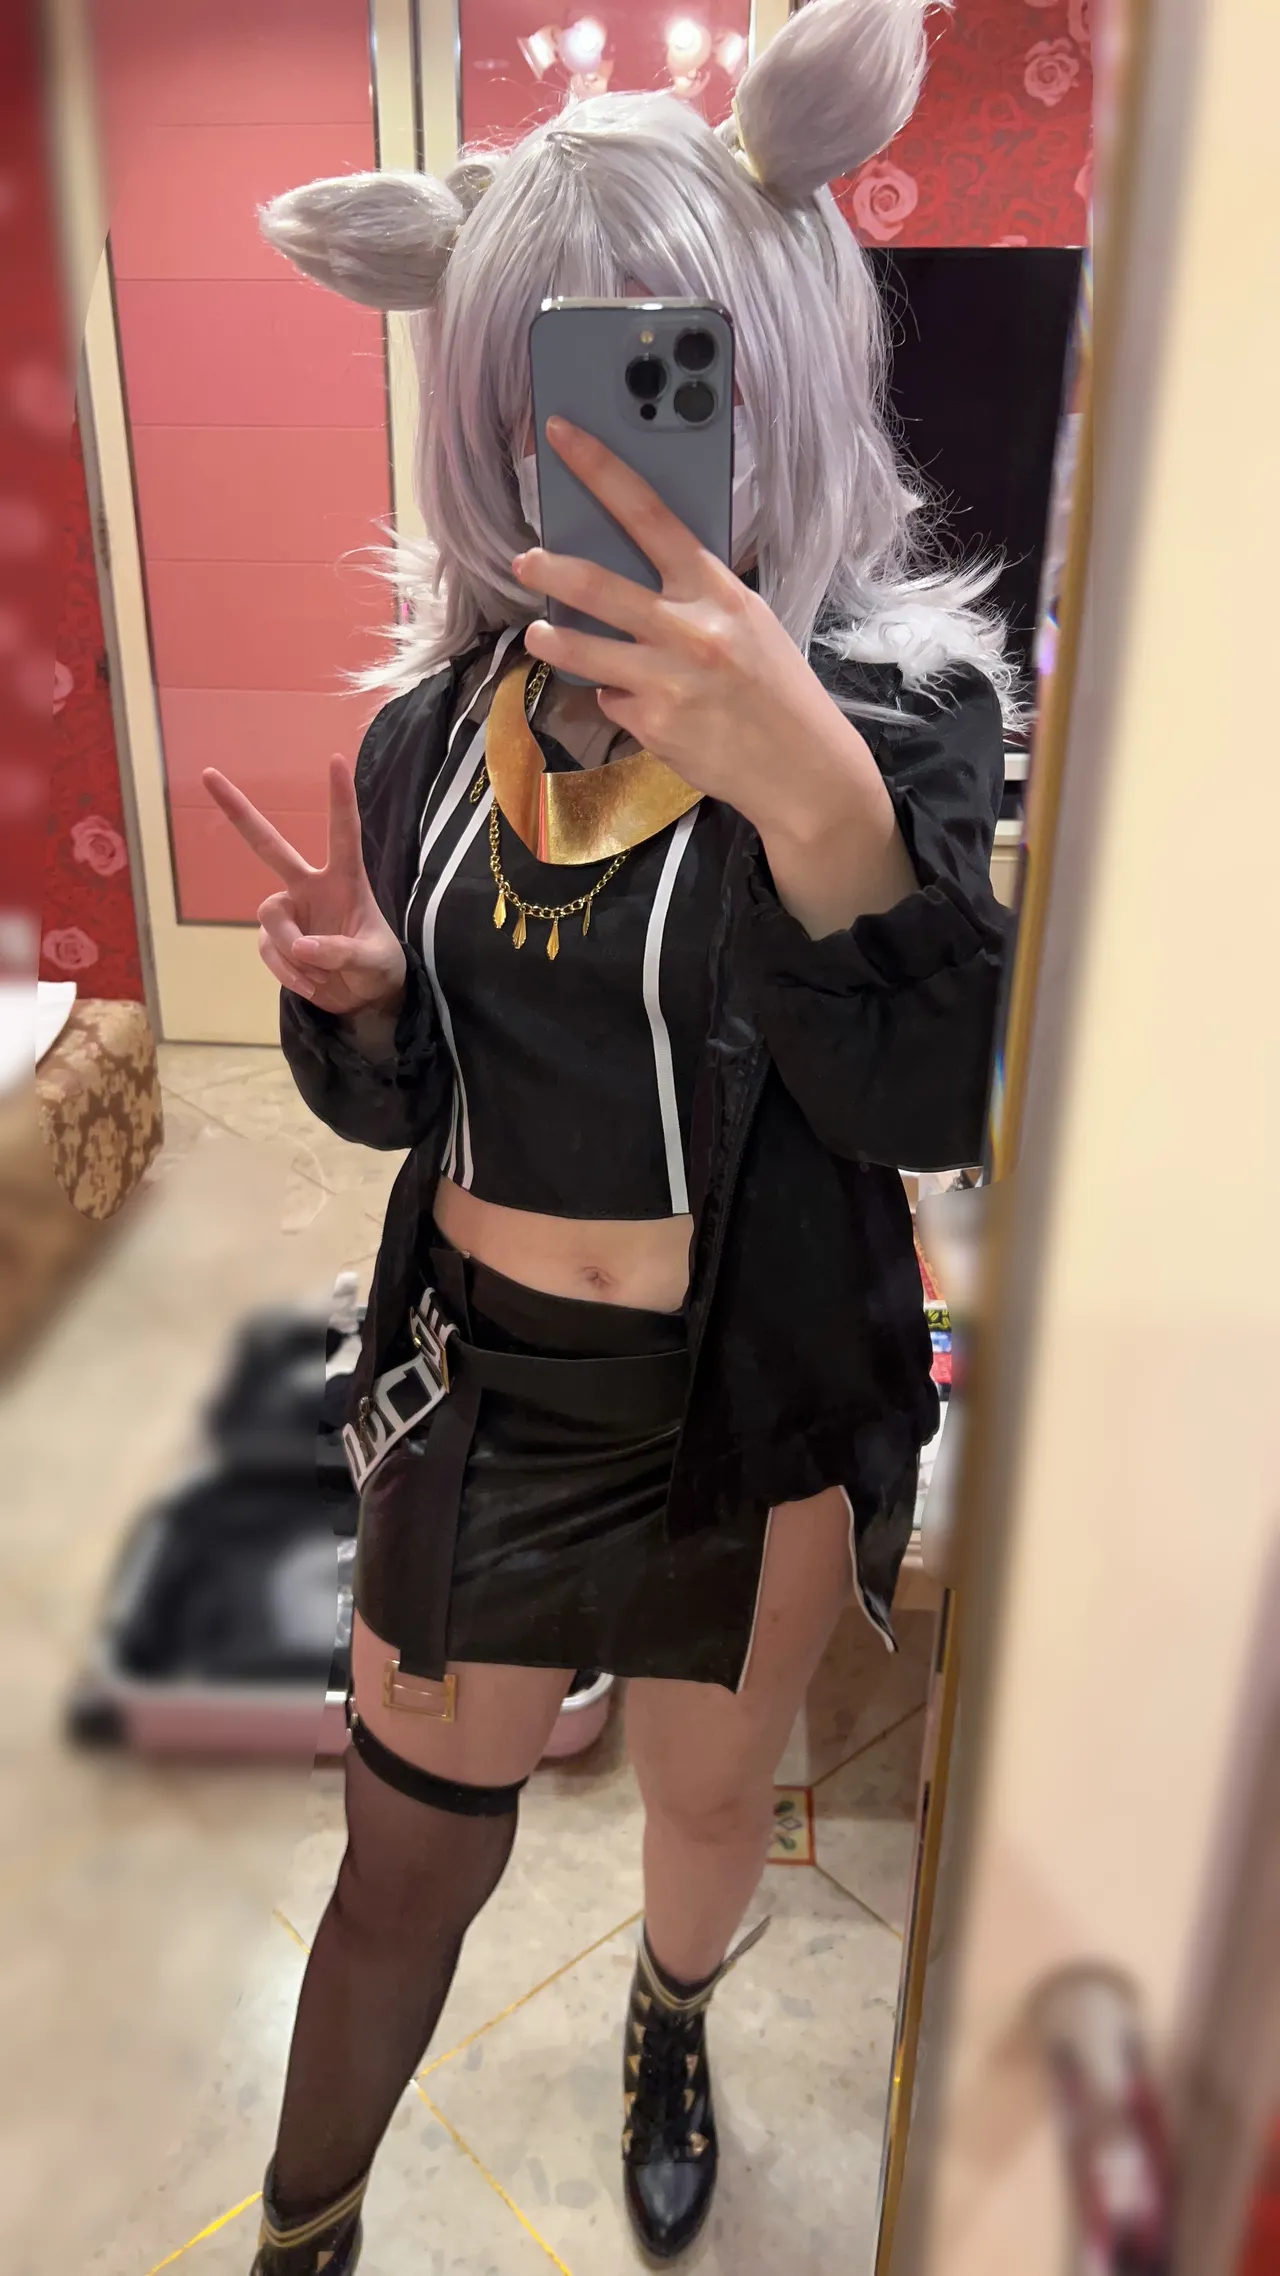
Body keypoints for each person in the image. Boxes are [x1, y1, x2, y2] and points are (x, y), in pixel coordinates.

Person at [205, 2, 1016, 2266]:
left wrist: (815, 789)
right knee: (402, 1859)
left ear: (781, 361)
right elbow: (408, 1110)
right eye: (533, 392)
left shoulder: (904, 721)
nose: (584, 445)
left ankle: (670, 2015)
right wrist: (363, 1007)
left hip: (746, 1403)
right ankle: (302, 2233)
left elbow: (925, 1106)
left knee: (698, 1806)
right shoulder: (429, 738)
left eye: (660, 373)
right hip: (480, 1388)